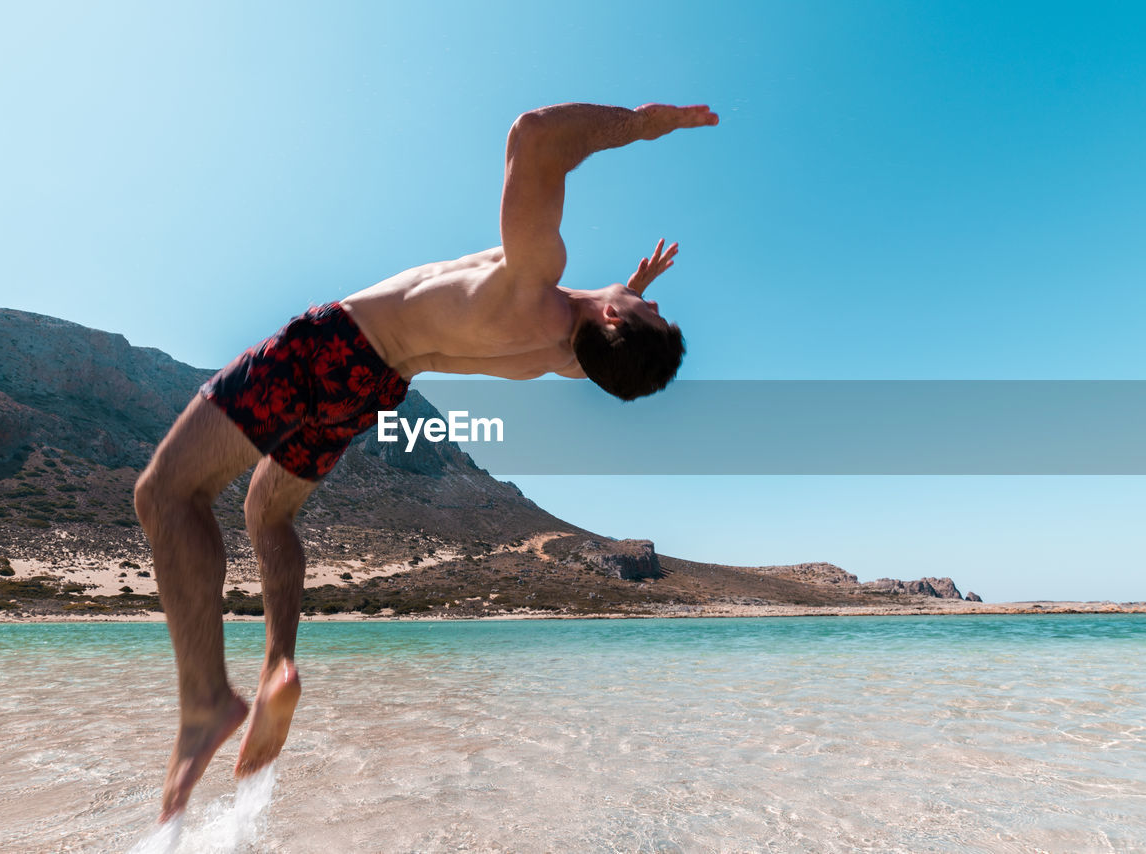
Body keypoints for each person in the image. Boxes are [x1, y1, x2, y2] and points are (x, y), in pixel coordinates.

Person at [133, 101, 718, 821]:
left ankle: (206, 704)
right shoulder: (568, 360)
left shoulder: (534, 279)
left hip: (336, 345)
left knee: (166, 493)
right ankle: (279, 660)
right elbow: (613, 345)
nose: (650, 301)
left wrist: (645, 122)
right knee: (266, 510)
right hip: (376, 388)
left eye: (651, 310)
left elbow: (535, 136)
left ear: (612, 319)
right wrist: (636, 286)